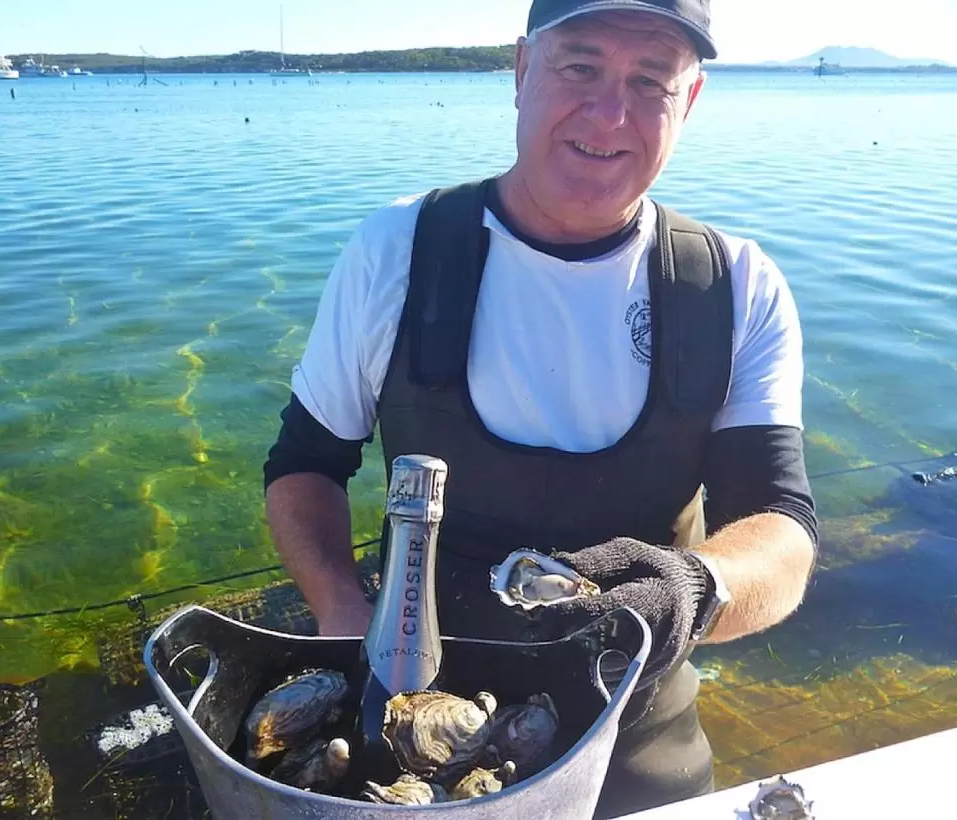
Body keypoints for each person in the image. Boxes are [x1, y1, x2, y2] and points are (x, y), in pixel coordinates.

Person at [262, 0, 819, 816]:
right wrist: (344, 613)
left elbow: (783, 528)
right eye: (580, 67)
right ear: (521, 71)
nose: (608, 114)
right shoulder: (398, 251)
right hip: (413, 719)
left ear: (689, 102)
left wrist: (696, 588)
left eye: (650, 81)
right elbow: (306, 461)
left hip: (638, 728)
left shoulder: (733, 286)